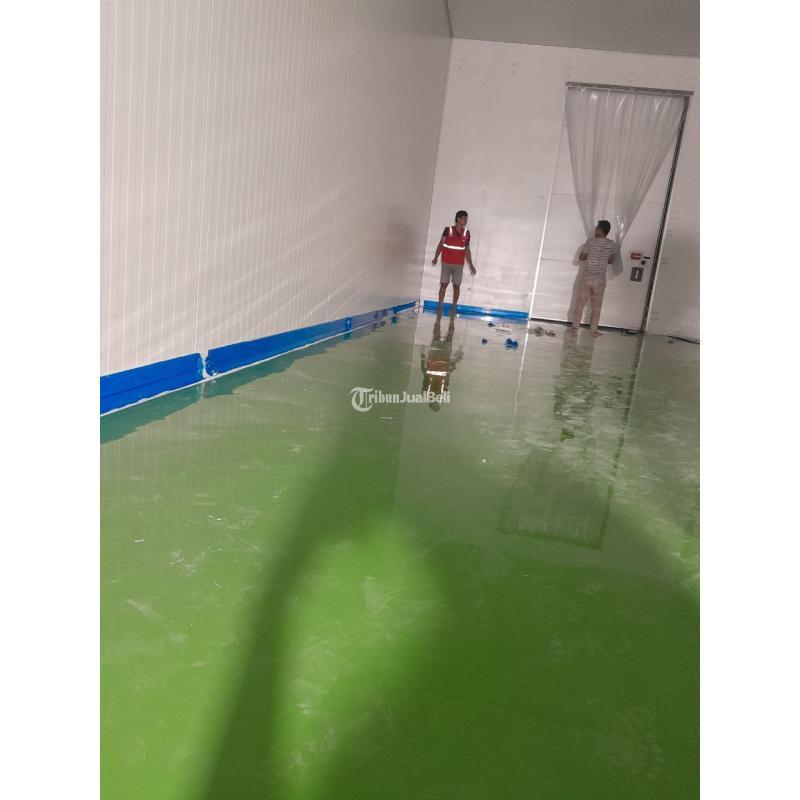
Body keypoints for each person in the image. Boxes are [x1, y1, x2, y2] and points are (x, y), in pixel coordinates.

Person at [571, 220, 616, 336]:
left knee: (580, 304)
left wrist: (587, 253)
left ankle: (575, 328)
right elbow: (611, 260)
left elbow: (582, 257)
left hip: (587, 278)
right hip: (600, 279)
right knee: (596, 307)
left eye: (597, 228)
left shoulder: (590, 242)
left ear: (601, 230)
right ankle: (593, 330)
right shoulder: (611, 244)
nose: (595, 230)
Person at [431, 210, 477, 319]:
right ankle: (440, 305)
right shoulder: (448, 230)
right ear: (458, 219)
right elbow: (441, 244)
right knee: (444, 284)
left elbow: (467, 250)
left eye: (466, 219)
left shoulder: (467, 233)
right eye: (464, 219)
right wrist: (436, 257)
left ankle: (454, 306)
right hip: (446, 263)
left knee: (457, 286)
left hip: (459, 265)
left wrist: (471, 265)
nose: (466, 221)